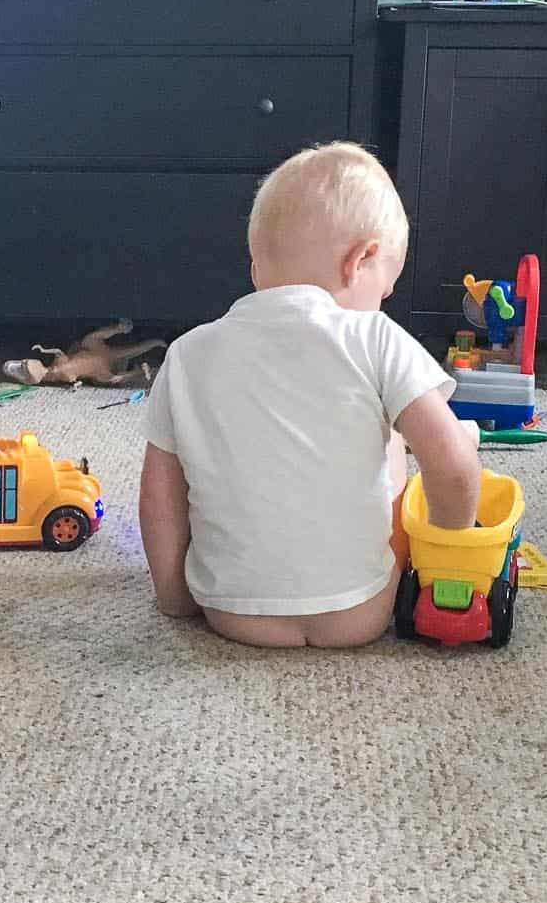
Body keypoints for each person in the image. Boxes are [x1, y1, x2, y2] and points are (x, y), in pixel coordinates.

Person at [138, 142, 480, 647]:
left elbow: (159, 495)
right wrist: (450, 553)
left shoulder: (187, 353)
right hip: (359, 609)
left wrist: (173, 597)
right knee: (394, 434)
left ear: (257, 270)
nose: (381, 304)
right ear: (361, 261)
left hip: (232, 610)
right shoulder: (376, 336)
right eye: (384, 290)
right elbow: (454, 466)